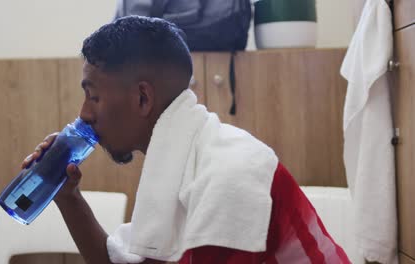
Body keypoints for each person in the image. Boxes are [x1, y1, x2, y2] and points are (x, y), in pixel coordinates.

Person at [22, 16, 350, 264]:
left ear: (142, 99)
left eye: (93, 96)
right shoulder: (180, 166)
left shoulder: (229, 175)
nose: (84, 114)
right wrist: (67, 196)